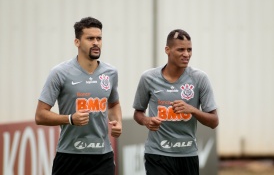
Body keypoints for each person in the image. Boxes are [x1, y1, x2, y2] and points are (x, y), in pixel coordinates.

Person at [35, 17, 122, 175]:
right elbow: (40, 115)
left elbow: (114, 104)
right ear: (77, 42)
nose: (96, 42)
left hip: (102, 157)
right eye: (90, 38)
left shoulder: (111, 73)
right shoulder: (60, 73)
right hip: (70, 157)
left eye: (99, 38)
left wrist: (118, 122)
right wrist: (70, 119)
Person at [133, 29, 219, 175]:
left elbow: (214, 121)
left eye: (189, 49)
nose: (186, 54)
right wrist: (146, 121)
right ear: (167, 50)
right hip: (157, 154)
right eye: (181, 49)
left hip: (187, 155)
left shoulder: (200, 78)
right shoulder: (148, 78)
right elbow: (138, 113)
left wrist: (192, 110)